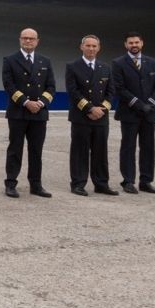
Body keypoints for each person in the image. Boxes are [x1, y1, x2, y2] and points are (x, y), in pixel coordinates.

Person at [3, 28, 54, 199]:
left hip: (39, 113)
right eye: (25, 38)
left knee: (36, 150)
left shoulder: (45, 61)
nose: (28, 41)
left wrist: (40, 103)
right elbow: (9, 85)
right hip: (18, 112)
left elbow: (51, 86)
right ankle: (11, 183)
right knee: (15, 150)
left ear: (37, 41)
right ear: (20, 40)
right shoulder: (10, 60)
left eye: (31, 39)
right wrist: (26, 102)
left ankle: (36, 184)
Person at [66, 35, 118, 196]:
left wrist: (102, 109)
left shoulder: (105, 67)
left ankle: (101, 183)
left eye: (94, 46)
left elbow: (111, 92)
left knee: (100, 151)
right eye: (88, 46)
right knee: (80, 151)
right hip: (81, 117)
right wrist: (89, 109)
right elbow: (73, 91)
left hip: (101, 117)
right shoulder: (73, 66)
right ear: (81, 47)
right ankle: (78, 183)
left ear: (99, 48)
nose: (91, 49)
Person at [111, 32, 155, 194]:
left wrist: (151, 103)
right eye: (131, 43)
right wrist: (139, 104)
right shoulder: (118, 63)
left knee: (148, 147)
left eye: (137, 42)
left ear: (142, 43)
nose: (134, 45)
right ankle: (128, 181)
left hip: (150, 112)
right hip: (129, 112)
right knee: (128, 147)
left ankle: (146, 181)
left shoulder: (152, 63)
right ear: (126, 45)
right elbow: (119, 88)